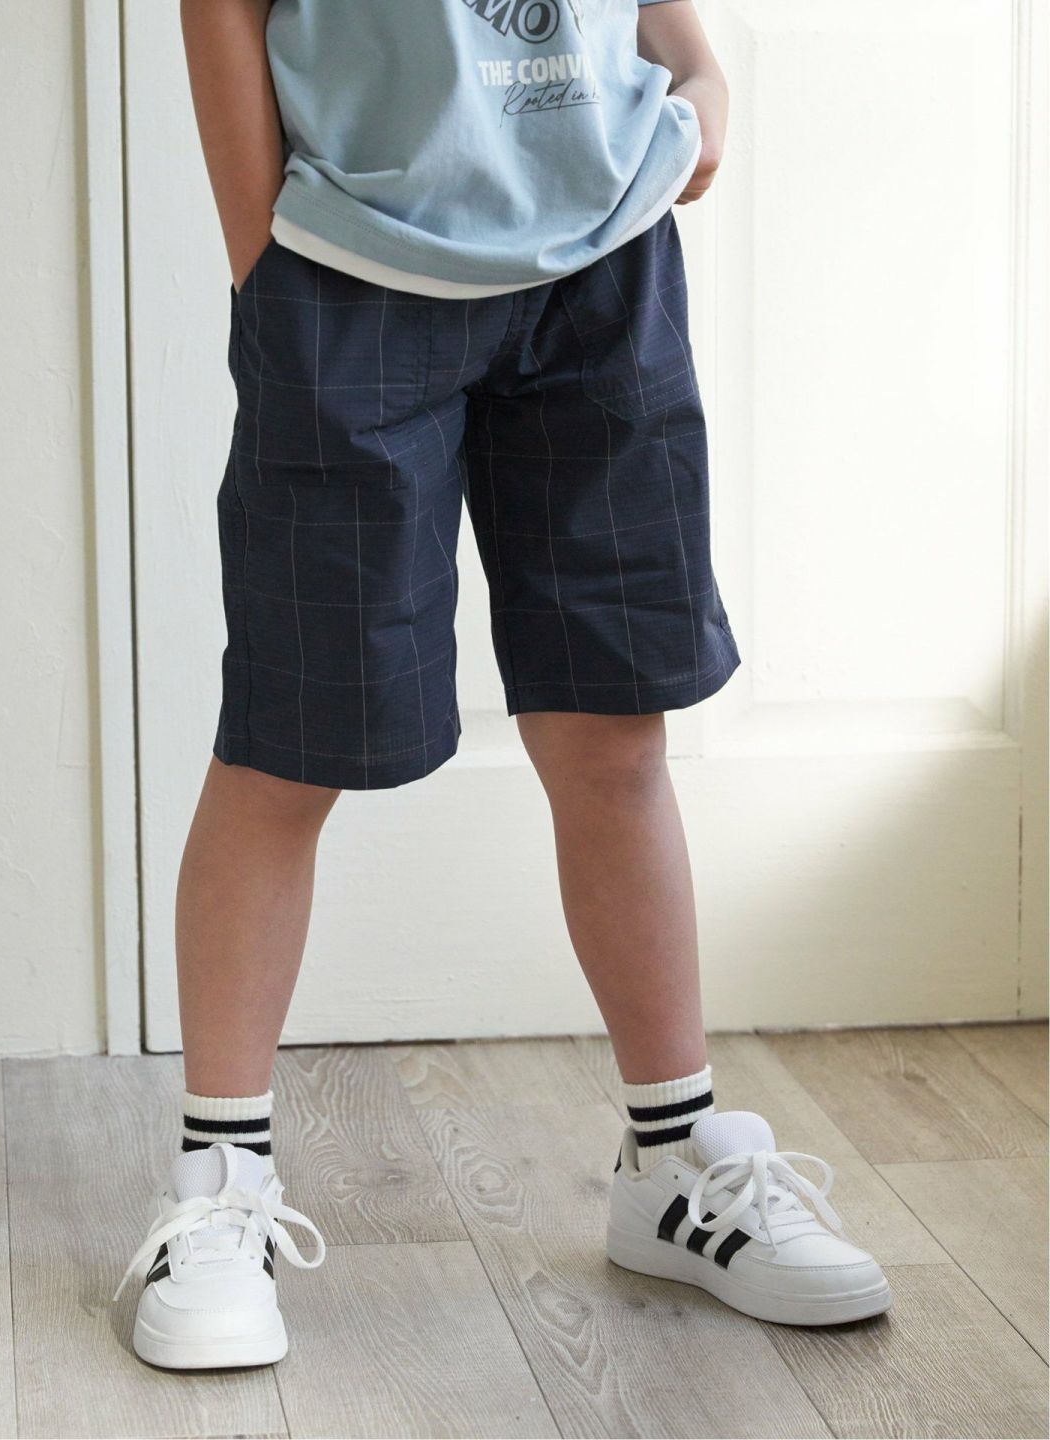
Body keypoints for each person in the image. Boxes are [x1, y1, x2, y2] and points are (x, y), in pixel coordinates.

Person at [115, 0, 891, 1369]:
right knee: (293, 738)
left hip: (605, 264)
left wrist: (699, 73)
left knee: (614, 731)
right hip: (351, 266)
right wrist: (262, 257)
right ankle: (219, 1187)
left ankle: (673, 1158)